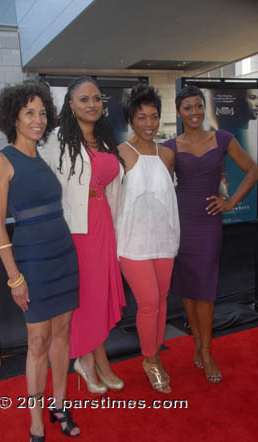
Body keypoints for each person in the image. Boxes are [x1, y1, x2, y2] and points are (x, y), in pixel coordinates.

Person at [0, 83, 80, 442]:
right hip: (32, 261)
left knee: (62, 335)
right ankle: (36, 422)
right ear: (13, 117)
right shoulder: (0, 160)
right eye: (29, 112)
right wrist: (14, 278)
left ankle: (59, 407)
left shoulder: (46, 154)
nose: (38, 120)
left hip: (62, 254)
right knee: (37, 342)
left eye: (42, 113)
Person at [162, 85, 258, 383]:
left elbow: (252, 170)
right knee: (189, 290)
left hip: (208, 222)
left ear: (204, 108)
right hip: (181, 221)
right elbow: (163, 188)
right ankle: (196, 345)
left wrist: (231, 201)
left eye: (198, 106)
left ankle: (206, 350)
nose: (194, 112)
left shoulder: (222, 139)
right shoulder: (170, 145)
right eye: (187, 108)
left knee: (204, 291)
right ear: (179, 112)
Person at [41, 77, 125, 393]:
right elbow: (32, 168)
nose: (92, 104)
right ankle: (88, 361)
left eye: (97, 98)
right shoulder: (56, 140)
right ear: (71, 104)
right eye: (84, 99)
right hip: (76, 229)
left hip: (104, 223)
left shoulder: (105, 140)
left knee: (100, 295)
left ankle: (99, 359)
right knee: (88, 298)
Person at [117, 84, 180, 393]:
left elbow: (169, 197)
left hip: (164, 240)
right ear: (131, 119)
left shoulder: (168, 154)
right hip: (132, 243)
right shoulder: (120, 153)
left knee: (162, 300)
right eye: (142, 117)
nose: (149, 124)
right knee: (149, 301)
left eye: (154, 116)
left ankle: (155, 356)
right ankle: (151, 360)